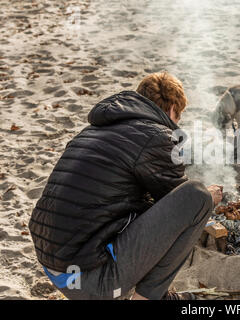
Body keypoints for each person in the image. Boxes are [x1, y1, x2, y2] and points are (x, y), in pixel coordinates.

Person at [28, 72, 223, 300]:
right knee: (197, 197)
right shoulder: (157, 136)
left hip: (54, 268)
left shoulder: (93, 130)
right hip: (91, 282)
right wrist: (209, 197)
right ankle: (149, 297)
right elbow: (176, 208)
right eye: (178, 117)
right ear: (171, 108)